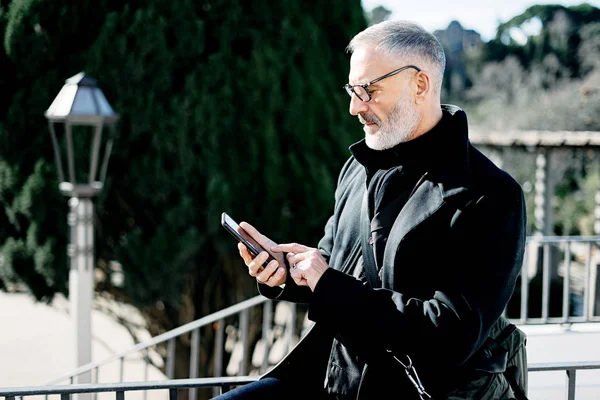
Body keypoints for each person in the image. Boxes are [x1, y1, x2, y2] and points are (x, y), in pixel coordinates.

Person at [215, 20, 528, 400]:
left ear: (420, 85)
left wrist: (327, 281)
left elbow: (449, 336)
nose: (354, 107)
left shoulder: (491, 195)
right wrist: (285, 273)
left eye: (368, 90)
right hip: (330, 379)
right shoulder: (356, 168)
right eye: (352, 89)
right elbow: (336, 267)